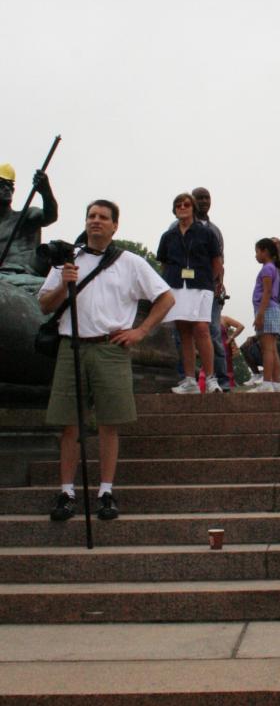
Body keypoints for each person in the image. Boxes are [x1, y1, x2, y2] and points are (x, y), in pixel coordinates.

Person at [38, 200, 174, 522]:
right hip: (71, 346)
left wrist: (141, 330)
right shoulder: (67, 262)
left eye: (103, 217)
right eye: (91, 216)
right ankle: (67, 491)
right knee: (69, 424)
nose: (96, 221)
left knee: (109, 424)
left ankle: (106, 491)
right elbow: (45, 305)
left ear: (115, 226)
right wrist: (63, 285)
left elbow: (166, 297)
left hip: (109, 348)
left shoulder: (131, 263)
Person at [157, 193, 223, 394]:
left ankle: (211, 378)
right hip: (177, 285)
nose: (182, 207)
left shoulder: (207, 233)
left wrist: (212, 281)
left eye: (186, 204)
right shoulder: (168, 236)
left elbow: (217, 261)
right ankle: (189, 380)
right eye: (178, 205)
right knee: (183, 331)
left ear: (193, 208)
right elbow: (164, 261)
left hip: (201, 284)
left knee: (202, 328)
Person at [191, 187, 230, 390]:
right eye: (200, 198)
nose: (204, 201)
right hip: (187, 288)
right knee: (185, 335)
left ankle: (222, 380)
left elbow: (220, 260)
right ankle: (187, 378)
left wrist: (219, 283)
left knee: (214, 332)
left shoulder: (215, 230)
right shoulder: (180, 226)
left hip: (210, 288)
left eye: (207, 197)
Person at [0, 162, 58, 282]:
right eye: (1, 184)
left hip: (25, 276)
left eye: (10, 185)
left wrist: (46, 191)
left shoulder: (26, 216)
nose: (7, 188)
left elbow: (50, 216)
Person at [247, 238, 280, 393]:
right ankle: (276, 382)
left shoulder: (267, 269)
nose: (256, 255)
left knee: (267, 349)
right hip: (273, 309)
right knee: (272, 348)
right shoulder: (273, 268)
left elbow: (267, 292)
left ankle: (267, 382)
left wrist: (260, 314)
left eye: (257, 251)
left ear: (265, 251)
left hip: (267, 309)